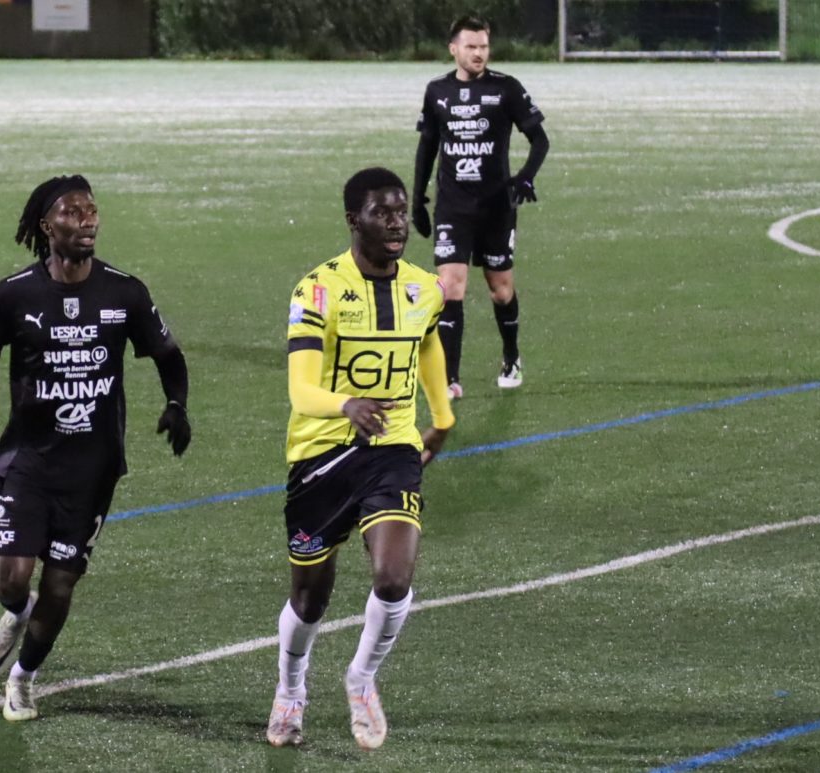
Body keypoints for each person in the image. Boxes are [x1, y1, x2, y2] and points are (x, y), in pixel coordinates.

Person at [0, 175, 191, 721]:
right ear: (46, 226)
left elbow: (168, 355)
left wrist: (177, 405)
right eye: (72, 212)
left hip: (92, 471)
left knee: (60, 585)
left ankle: (23, 680)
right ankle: (18, 611)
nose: (87, 219)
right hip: (29, 462)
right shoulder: (15, 293)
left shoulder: (125, 292)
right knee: (11, 580)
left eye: (91, 210)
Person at [265, 167, 455, 750]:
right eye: (383, 213)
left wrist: (441, 414)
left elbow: (427, 342)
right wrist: (346, 404)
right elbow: (301, 391)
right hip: (321, 454)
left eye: (402, 211)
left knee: (394, 577)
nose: (397, 223)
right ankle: (290, 689)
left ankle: (362, 678)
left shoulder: (425, 289)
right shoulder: (316, 291)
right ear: (354, 220)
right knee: (310, 598)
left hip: (392, 447)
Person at [412, 14, 549, 397]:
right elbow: (427, 146)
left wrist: (525, 176)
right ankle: (450, 378)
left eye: (484, 46)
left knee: (500, 290)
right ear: (453, 48)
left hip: (496, 207)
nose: (479, 53)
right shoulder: (437, 91)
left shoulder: (506, 88)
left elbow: (540, 140)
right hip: (453, 206)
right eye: (471, 46)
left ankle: (511, 356)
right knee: (450, 286)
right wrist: (417, 198)